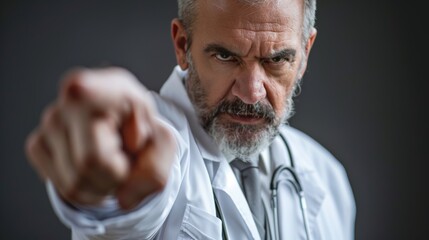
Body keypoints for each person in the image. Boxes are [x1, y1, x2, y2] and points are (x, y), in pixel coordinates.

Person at [25, 0, 356, 239]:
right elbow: (129, 215)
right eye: (226, 56)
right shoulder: (152, 145)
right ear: (183, 46)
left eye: (277, 60)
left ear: (304, 53)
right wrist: (109, 193)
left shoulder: (329, 178)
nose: (252, 93)